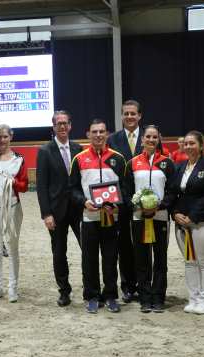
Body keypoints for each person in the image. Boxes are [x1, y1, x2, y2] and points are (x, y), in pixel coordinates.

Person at [70, 119, 126, 314]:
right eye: (94, 132)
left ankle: (110, 295)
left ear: (107, 134)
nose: (98, 135)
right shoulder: (79, 159)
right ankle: (92, 296)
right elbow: (73, 188)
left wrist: (117, 205)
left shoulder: (118, 159)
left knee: (110, 258)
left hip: (111, 217)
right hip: (89, 217)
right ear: (88, 134)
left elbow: (125, 188)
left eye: (102, 132)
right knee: (89, 259)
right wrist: (83, 202)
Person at [171, 130, 204, 315]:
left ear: (201, 146)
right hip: (181, 222)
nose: (188, 146)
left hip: (203, 221)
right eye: (186, 143)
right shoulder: (179, 167)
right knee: (189, 261)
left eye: (192, 143)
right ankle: (193, 298)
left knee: (203, 261)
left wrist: (193, 216)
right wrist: (175, 213)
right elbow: (174, 193)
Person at [126, 125, 176, 313]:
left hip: (160, 218)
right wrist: (137, 206)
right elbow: (126, 191)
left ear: (159, 139)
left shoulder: (167, 163)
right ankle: (145, 298)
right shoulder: (132, 163)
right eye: (148, 136)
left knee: (160, 259)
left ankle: (159, 297)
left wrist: (159, 206)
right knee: (141, 258)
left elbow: (172, 192)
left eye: (155, 137)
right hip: (139, 218)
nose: (151, 140)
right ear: (142, 140)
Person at [36, 110, 83, 307]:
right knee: (59, 252)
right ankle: (64, 291)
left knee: (87, 250)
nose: (62, 127)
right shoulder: (45, 151)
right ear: (53, 127)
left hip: (79, 209)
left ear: (70, 126)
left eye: (65, 123)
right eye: (58, 124)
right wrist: (46, 214)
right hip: (56, 212)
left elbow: (83, 181)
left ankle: (91, 288)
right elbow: (41, 185)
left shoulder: (79, 149)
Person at [0, 124, 28, 303]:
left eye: (5, 137)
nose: (2, 140)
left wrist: (14, 182)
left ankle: (13, 288)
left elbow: (24, 186)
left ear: (11, 137)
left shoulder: (19, 159)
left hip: (12, 207)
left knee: (12, 249)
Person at [107, 99, 142, 303]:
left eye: (133, 113)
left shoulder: (150, 137)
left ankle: (143, 284)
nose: (129, 117)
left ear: (139, 116)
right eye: (126, 113)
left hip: (143, 201)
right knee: (123, 245)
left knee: (143, 244)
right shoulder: (113, 139)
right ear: (122, 116)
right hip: (120, 201)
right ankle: (128, 286)